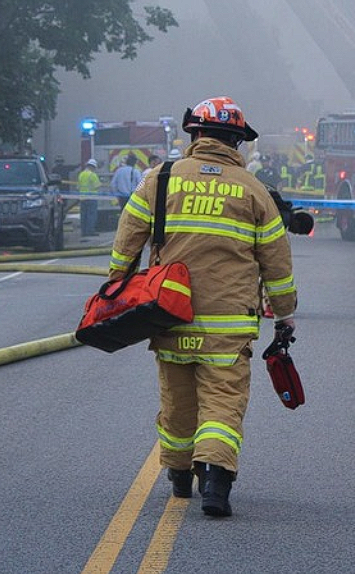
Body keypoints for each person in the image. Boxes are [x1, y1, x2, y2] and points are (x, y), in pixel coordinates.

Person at [107, 96, 298, 517]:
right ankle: (215, 483)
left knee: (177, 402)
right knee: (222, 404)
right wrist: (283, 313)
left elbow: (129, 237)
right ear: (237, 142)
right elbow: (277, 261)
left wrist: (117, 287)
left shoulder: (161, 178)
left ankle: (178, 475)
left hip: (170, 316)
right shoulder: (253, 191)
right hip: (228, 327)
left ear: (194, 135)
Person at [77, 158, 100, 238]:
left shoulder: (81, 174)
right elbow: (97, 186)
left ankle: (84, 232)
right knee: (91, 215)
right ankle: (90, 231)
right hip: (91, 198)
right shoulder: (93, 175)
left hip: (82, 198)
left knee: (83, 215)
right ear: (93, 167)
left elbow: (78, 187)